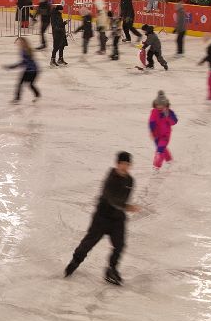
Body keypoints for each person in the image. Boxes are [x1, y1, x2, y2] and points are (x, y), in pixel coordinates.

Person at [64, 152, 136, 286]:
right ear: (117, 164)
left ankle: (111, 269)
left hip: (117, 219)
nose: (125, 167)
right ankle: (75, 262)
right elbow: (112, 199)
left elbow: (123, 199)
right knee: (89, 243)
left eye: (127, 164)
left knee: (119, 245)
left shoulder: (130, 181)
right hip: (102, 218)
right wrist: (126, 206)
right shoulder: (110, 179)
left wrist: (123, 208)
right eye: (122, 164)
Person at [148, 92, 177, 169]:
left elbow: (174, 122)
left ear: (165, 104)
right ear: (155, 104)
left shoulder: (169, 112)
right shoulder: (154, 111)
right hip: (156, 135)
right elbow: (151, 121)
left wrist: (167, 117)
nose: (159, 107)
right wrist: (151, 131)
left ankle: (156, 166)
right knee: (161, 148)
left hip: (165, 135)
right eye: (158, 105)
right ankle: (169, 160)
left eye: (161, 105)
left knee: (160, 150)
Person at [7, 37, 42, 102]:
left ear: (23, 43)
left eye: (19, 42)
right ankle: (19, 97)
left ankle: (36, 94)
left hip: (32, 71)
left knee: (29, 84)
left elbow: (24, 62)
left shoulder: (26, 51)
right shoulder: (24, 50)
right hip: (29, 70)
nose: (18, 44)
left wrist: (13, 66)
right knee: (23, 84)